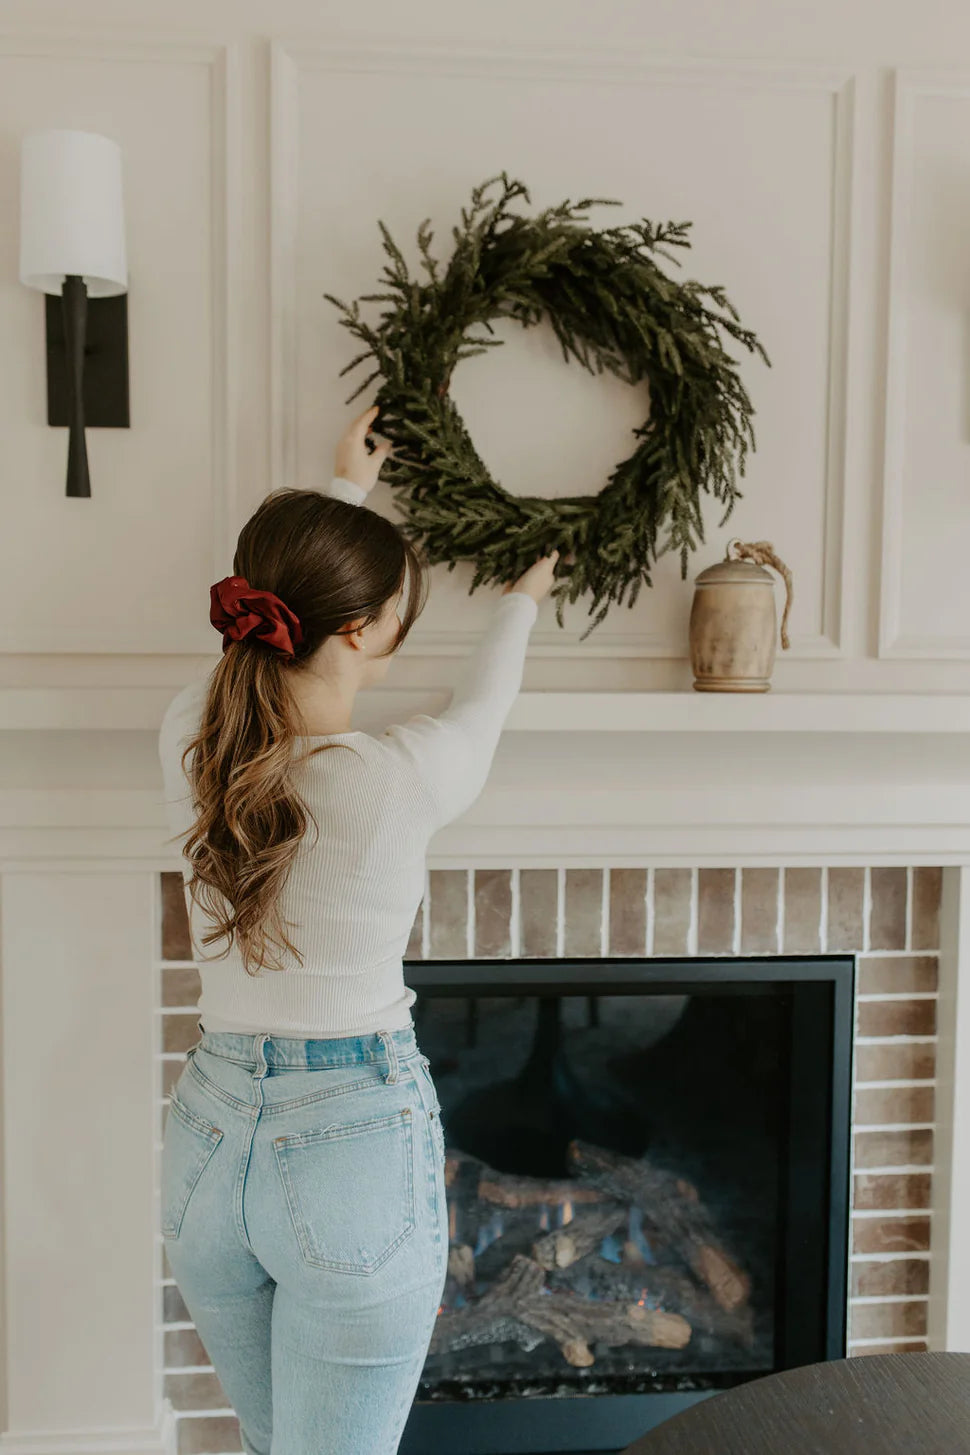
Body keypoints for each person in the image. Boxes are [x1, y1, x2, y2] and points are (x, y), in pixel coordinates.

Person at [157, 405, 557, 1455]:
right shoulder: (391, 778)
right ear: (362, 631)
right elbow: (486, 707)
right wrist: (520, 600)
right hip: (348, 1145)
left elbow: (270, 627)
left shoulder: (188, 739)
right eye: (393, 614)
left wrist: (344, 493)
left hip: (204, 1142)